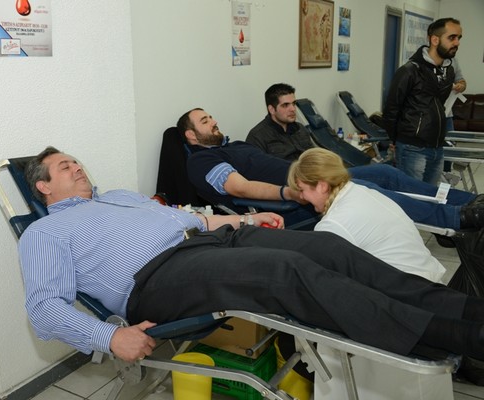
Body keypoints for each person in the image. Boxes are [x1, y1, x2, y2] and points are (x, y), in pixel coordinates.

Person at [19, 146, 484, 365]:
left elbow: (190, 220)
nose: (77, 166)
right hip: (158, 279)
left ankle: (466, 309)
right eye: (64, 167)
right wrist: (109, 337)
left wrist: (247, 220)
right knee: (286, 272)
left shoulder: (118, 196)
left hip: (211, 242)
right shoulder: (45, 232)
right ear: (43, 186)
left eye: (76, 160)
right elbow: (43, 309)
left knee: (330, 248)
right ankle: (460, 338)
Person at [179, 107, 484, 229]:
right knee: (370, 190)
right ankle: (457, 218)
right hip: (298, 197)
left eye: (211, 116)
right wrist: (290, 192)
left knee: (385, 173)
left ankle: (468, 201)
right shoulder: (201, 161)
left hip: (312, 178)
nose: (214, 121)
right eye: (205, 121)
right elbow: (241, 188)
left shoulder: (232, 145)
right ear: (191, 136)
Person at [287, 147, 446, 282]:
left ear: (322, 186)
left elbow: (325, 279)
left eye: (302, 190)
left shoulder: (333, 224)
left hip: (410, 292)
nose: (301, 197)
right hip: (429, 279)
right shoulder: (361, 191)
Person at [383, 18, 463, 185]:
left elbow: (437, 105)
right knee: (412, 195)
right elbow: (391, 109)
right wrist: (395, 141)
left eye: (459, 38)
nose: (457, 43)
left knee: (430, 195)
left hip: (437, 146)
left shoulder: (448, 72)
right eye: (452, 37)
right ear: (435, 40)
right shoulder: (409, 71)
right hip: (412, 147)